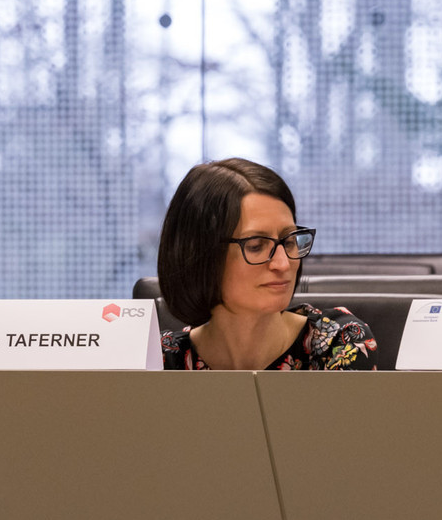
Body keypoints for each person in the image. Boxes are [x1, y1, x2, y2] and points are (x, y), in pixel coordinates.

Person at [157, 158, 376, 370]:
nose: (283, 264)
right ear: (201, 253)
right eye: (256, 245)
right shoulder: (161, 361)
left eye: (289, 240)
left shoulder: (338, 343)